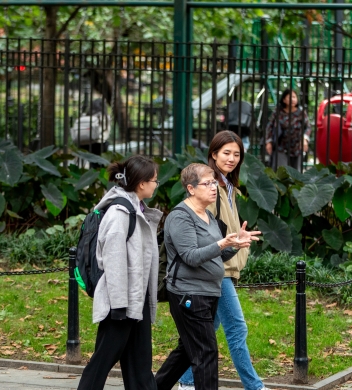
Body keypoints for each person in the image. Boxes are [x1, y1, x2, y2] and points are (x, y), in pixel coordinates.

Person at [176, 131, 269, 390]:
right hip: (218, 270)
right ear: (213, 154)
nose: (231, 158)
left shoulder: (228, 186)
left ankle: (185, 381)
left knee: (204, 333)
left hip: (223, 267)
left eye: (237, 154)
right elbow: (203, 227)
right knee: (237, 329)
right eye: (226, 153)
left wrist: (240, 239)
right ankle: (255, 387)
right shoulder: (211, 186)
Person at [155, 163, 261, 390]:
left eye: (214, 182)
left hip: (208, 292)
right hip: (188, 294)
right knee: (206, 353)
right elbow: (191, 256)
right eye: (207, 183)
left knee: (187, 351)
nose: (214, 187)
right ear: (191, 189)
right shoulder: (180, 217)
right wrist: (222, 242)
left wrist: (235, 245)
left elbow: (214, 256)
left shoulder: (207, 216)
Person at [76, 155, 163, 390]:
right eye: (155, 180)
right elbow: (113, 262)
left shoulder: (137, 209)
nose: (156, 184)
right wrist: (118, 306)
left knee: (140, 367)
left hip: (136, 299)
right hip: (120, 303)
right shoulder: (119, 213)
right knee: (102, 363)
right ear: (142, 183)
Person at [265, 89, 310, 170]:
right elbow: (269, 126)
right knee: (282, 172)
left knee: (296, 174)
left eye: (294, 97)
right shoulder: (278, 111)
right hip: (281, 146)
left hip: (296, 147)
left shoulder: (301, 112)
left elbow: (308, 127)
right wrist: (268, 141)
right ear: (284, 100)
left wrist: (305, 138)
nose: (292, 99)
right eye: (289, 97)